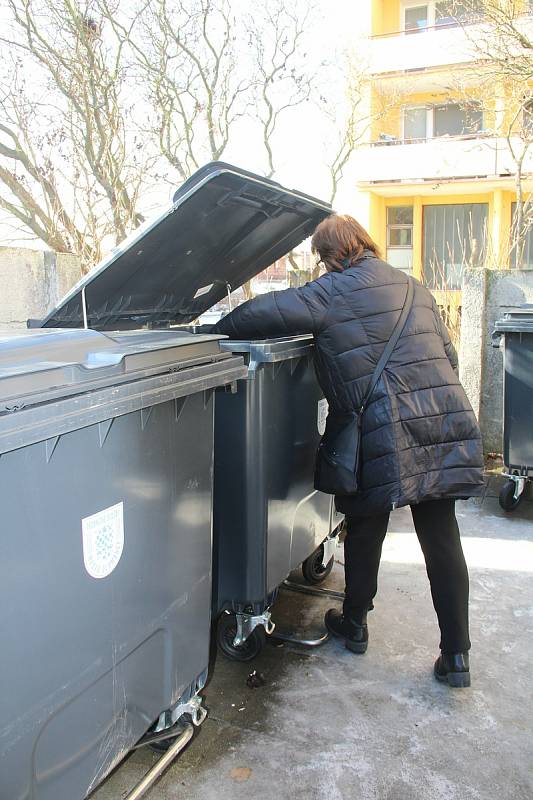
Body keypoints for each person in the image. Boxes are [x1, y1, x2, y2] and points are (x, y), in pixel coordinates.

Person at [213, 213, 484, 688]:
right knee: (441, 536)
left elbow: (263, 314)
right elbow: (449, 353)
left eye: (321, 257)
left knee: (365, 521)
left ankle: (354, 622)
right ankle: (456, 655)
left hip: (379, 425)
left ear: (330, 255)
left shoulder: (331, 292)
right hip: (440, 416)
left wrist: (213, 328)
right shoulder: (413, 286)